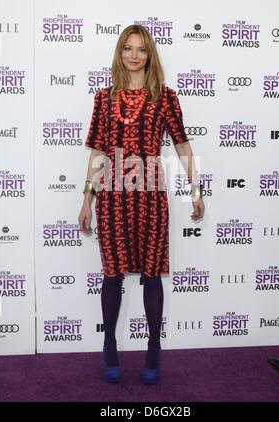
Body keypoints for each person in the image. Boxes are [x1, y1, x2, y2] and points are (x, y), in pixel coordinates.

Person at [78, 24, 205, 384]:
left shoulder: (165, 98)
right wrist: (86, 197)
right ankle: (109, 343)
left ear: (150, 55)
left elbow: (181, 144)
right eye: (127, 49)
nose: (134, 55)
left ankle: (153, 345)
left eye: (141, 50)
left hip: (150, 196)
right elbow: (99, 152)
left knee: (151, 274)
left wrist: (196, 188)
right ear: (119, 54)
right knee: (112, 273)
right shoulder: (104, 99)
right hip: (113, 197)